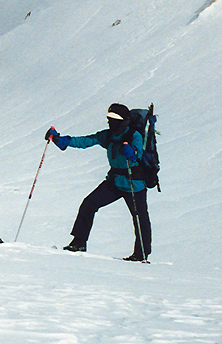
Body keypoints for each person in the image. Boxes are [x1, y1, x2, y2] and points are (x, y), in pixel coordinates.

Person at [45, 103, 152, 261]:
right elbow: (87, 141)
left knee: (139, 218)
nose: (110, 122)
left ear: (123, 121)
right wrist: (62, 141)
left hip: (134, 184)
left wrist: (132, 152)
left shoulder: (134, 135)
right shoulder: (109, 135)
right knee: (89, 204)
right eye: (109, 118)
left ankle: (141, 254)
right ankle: (79, 242)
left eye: (114, 119)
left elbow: (137, 154)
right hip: (115, 182)